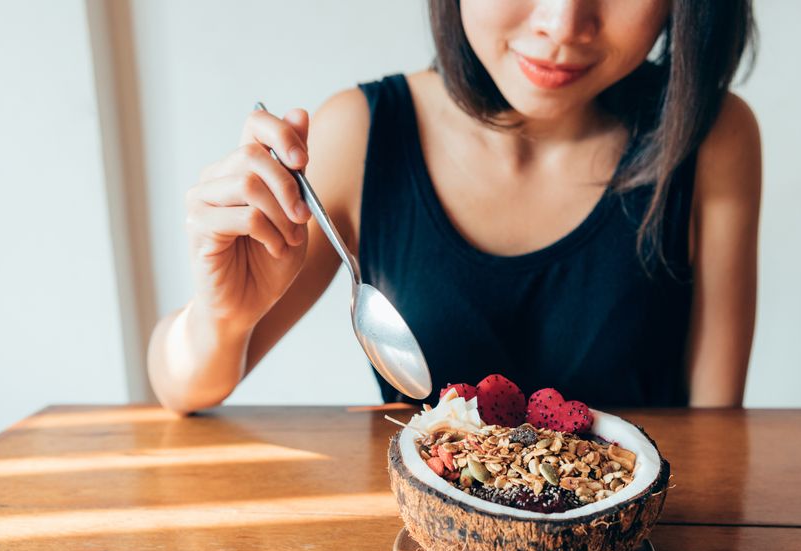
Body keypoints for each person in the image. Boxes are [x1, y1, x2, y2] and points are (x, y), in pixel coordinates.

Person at [148, 0, 761, 414]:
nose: (563, 21)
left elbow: (717, 440)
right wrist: (221, 318)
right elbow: (183, 390)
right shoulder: (360, 135)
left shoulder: (711, 139)